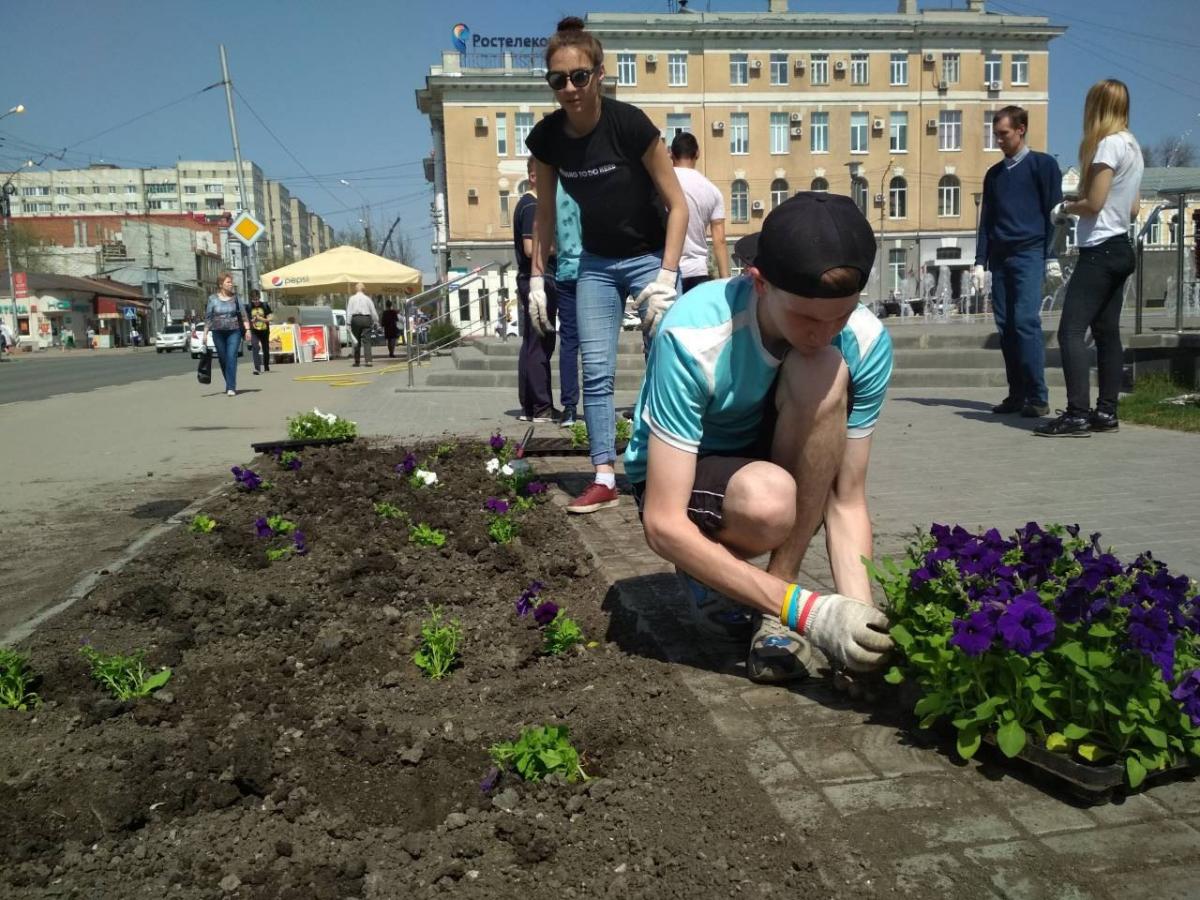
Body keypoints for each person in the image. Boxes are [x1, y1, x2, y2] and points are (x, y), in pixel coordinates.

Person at [624, 193, 895, 684]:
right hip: (682, 478)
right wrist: (810, 611)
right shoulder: (694, 333)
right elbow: (661, 522)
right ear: (760, 281)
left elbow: (846, 499)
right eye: (807, 318)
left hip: (767, 465)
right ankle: (726, 570)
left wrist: (859, 628)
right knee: (770, 500)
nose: (824, 332)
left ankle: (771, 599)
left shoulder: (865, 342)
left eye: (841, 315)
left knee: (824, 370)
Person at [525, 16, 688, 514]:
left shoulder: (630, 124)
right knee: (595, 371)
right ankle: (603, 475)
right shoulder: (549, 138)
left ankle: (668, 467)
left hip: (647, 257)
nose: (569, 88)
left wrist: (665, 275)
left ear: (599, 74)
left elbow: (678, 204)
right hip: (595, 262)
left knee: (670, 361)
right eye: (558, 80)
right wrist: (536, 278)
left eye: (579, 76)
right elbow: (547, 213)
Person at [1035, 81, 1143, 437]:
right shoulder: (1133, 145)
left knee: (1070, 331)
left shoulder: (1109, 145)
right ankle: (1107, 412)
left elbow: (1094, 203)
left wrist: (1064, 208)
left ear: (1096, 107)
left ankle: (1077, 413)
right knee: (1107, 332)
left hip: (1101, 249)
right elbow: (1133, 206)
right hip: (1122, 247)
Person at [973, 105, 1063, 419]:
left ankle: (1038, 397)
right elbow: (986, 221)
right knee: (1006, 327)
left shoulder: (1043, 165)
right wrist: (979, 262)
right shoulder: (994, 175)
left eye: (1003, 133)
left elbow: (1056, 214)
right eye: (995, 133)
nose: (998, 139)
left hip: (1029, 252)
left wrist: (1051, 256)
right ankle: (1017, 394)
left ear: (1021, 129)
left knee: (1025, 322)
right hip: (1000, 257)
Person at [513, 156, 559, 423]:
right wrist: (558, 248)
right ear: (534, 176)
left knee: (531, 343)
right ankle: (541, 407)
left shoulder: (526, 204)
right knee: (541, 343)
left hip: (528, 278)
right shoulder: (532, 206)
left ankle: (530, 406)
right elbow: (532, 249)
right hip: (538, 278)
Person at [670, 131, 730, 293]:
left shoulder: (662, 183)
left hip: (665, 270)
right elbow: (720, 240)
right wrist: (726, 281)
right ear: (697, 153)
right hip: (697, 272)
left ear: (671, 154)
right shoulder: (712, 190)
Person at [555, 183, 583, 428]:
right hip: (594, 271)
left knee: (569, 343)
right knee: (597, 344)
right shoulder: (591, 181)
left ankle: (570, 408)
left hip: (565, 272)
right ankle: (600, 404)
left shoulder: (554, 188)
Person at [202, 271, 250, 397]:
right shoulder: (212, 299)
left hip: (234, 331)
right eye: (228, 282)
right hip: (218, 332)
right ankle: (229, 382)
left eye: (231, 282)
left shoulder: (236, 298)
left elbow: (244, 315)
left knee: (231, 357)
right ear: (220, 284)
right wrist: (205, 334)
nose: (231, 284)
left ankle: (231, 387)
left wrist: (248, 330)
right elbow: (208, 317)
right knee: (223, 359)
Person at [347, 282, 378, 367]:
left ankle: (357, 361)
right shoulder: (367, 299)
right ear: (363, 289)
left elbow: (349, 312)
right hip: (366, 319)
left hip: (355, 319)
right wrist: (376, 321)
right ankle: (368, 361)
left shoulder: (352, 299)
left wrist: (348, 323)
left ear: (356, 289)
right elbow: (373, 311)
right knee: (367, 341)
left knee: (356, 341)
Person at [246, 289, 273, 374]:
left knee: (265, 349)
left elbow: (271, 317)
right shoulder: (249, 307)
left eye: (257, 299)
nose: (256, 301)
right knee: (255, 347)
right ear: (251, 299)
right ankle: (257, 368)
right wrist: (252, 321)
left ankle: (266, 366)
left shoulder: (264, 305)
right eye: (254, 300)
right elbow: (246, 319)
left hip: (264, 330)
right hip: (254, 331)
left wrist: (262, 319)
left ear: (259, 298)